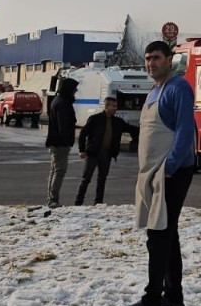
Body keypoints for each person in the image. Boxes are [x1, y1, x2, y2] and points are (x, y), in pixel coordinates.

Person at [122, 41, 195, 306]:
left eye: (156, 58)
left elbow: (185, 133)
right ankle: (173, 295)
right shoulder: (155, 90)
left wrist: (169, 168)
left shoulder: (178, 88)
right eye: (147, 59)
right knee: (168, 233)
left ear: (169, 59)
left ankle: (152, 300)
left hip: (169, 174)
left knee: (158, 234)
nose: (150, 63)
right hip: (153, 174)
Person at [75, 96, 140, 205]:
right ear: (106, 106)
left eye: (116, 106)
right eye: (113, 106)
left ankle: (98, 203)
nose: (115, 108)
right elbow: (83, 133)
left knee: (102, 179)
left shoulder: (118, 122)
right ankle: (78, 202)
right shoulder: (95, 119)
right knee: (86, 179)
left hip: (107, 154)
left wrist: (145, 128)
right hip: (93, 153)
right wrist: (82, 150)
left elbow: (131, 129)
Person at [44, 77, 79, 208]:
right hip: (60, 144)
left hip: (55, 142)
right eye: (74, 88)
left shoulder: (57, 101)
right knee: (59, 171)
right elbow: (63, 125)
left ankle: (51, 198)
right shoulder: (64, 103)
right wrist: (67, 141)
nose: (76, 90)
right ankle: (53, 199)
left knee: (54, 171)